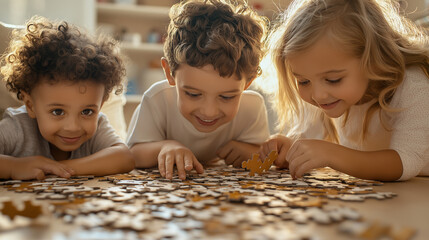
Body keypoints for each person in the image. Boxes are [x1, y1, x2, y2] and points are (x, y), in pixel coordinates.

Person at [258, 0, 429, 181]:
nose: (317, 95)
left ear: (373, 61)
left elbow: (405, 161)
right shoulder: (328, 95)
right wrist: (290, 150)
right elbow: (313, 145)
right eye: (303, 81)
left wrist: (331, 154)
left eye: (333, 80)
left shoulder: (413, 85)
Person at [127, 0, 269, 180]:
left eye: (226, 97)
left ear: (248, 83)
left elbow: (261, 153)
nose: (209, 111)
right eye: (193, 94)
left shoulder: (252, 107)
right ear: (169, 73)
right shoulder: (157, 99)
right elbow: (132, 154)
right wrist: (165, 147)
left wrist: (249, 152)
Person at [0, 16, 134, 180]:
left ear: (101, 104)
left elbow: (124, 157)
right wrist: (14, 167)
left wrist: (59, 169)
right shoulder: (17, 127)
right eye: (57, 112)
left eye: (87, 111)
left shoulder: (98, 125)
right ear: (30, 105)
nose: (73, 127)